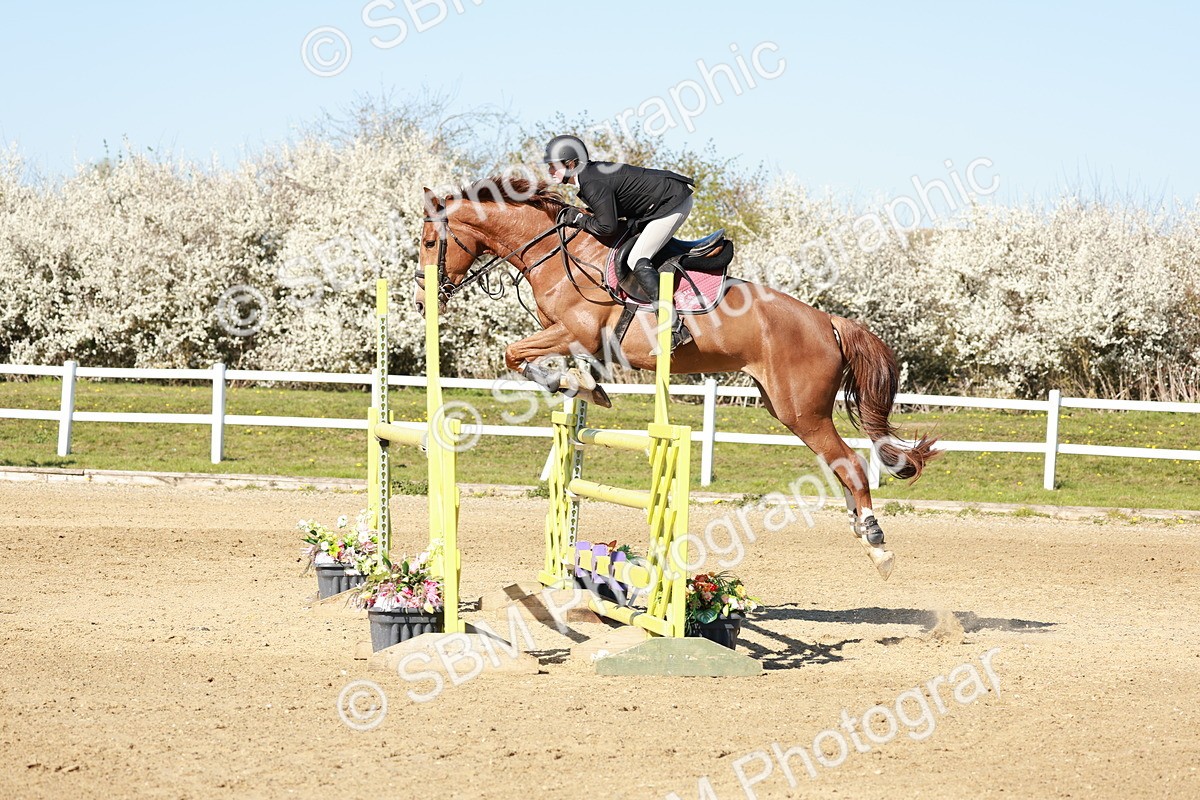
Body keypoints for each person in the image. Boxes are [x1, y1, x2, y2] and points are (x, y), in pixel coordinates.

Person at [543, 134, 694, 302]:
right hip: (663, 200)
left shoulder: (591, 183)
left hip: (673, 201)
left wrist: (579, 219)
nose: (550, 171)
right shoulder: (588, 175)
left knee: (636, 258)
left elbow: (608, 227)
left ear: (571, 164)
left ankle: (667, 313)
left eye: (553, 166)